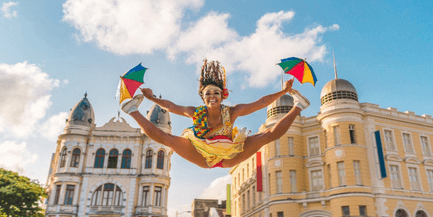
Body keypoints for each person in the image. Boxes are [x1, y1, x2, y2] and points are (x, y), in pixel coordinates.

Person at [121, 59, 310, 169]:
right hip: (201, 153)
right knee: (167, 139)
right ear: (203, 98)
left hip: (229, 154)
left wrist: (283, 92)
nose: (212, 96)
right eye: (208, 94)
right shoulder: (195, 112)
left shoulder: (233, 111)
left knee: (267, 136)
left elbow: (260, 103)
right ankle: (132, 110)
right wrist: (153, 98)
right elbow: (171, 106)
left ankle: (298, 106)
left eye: (216, 93)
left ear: (222, 96)